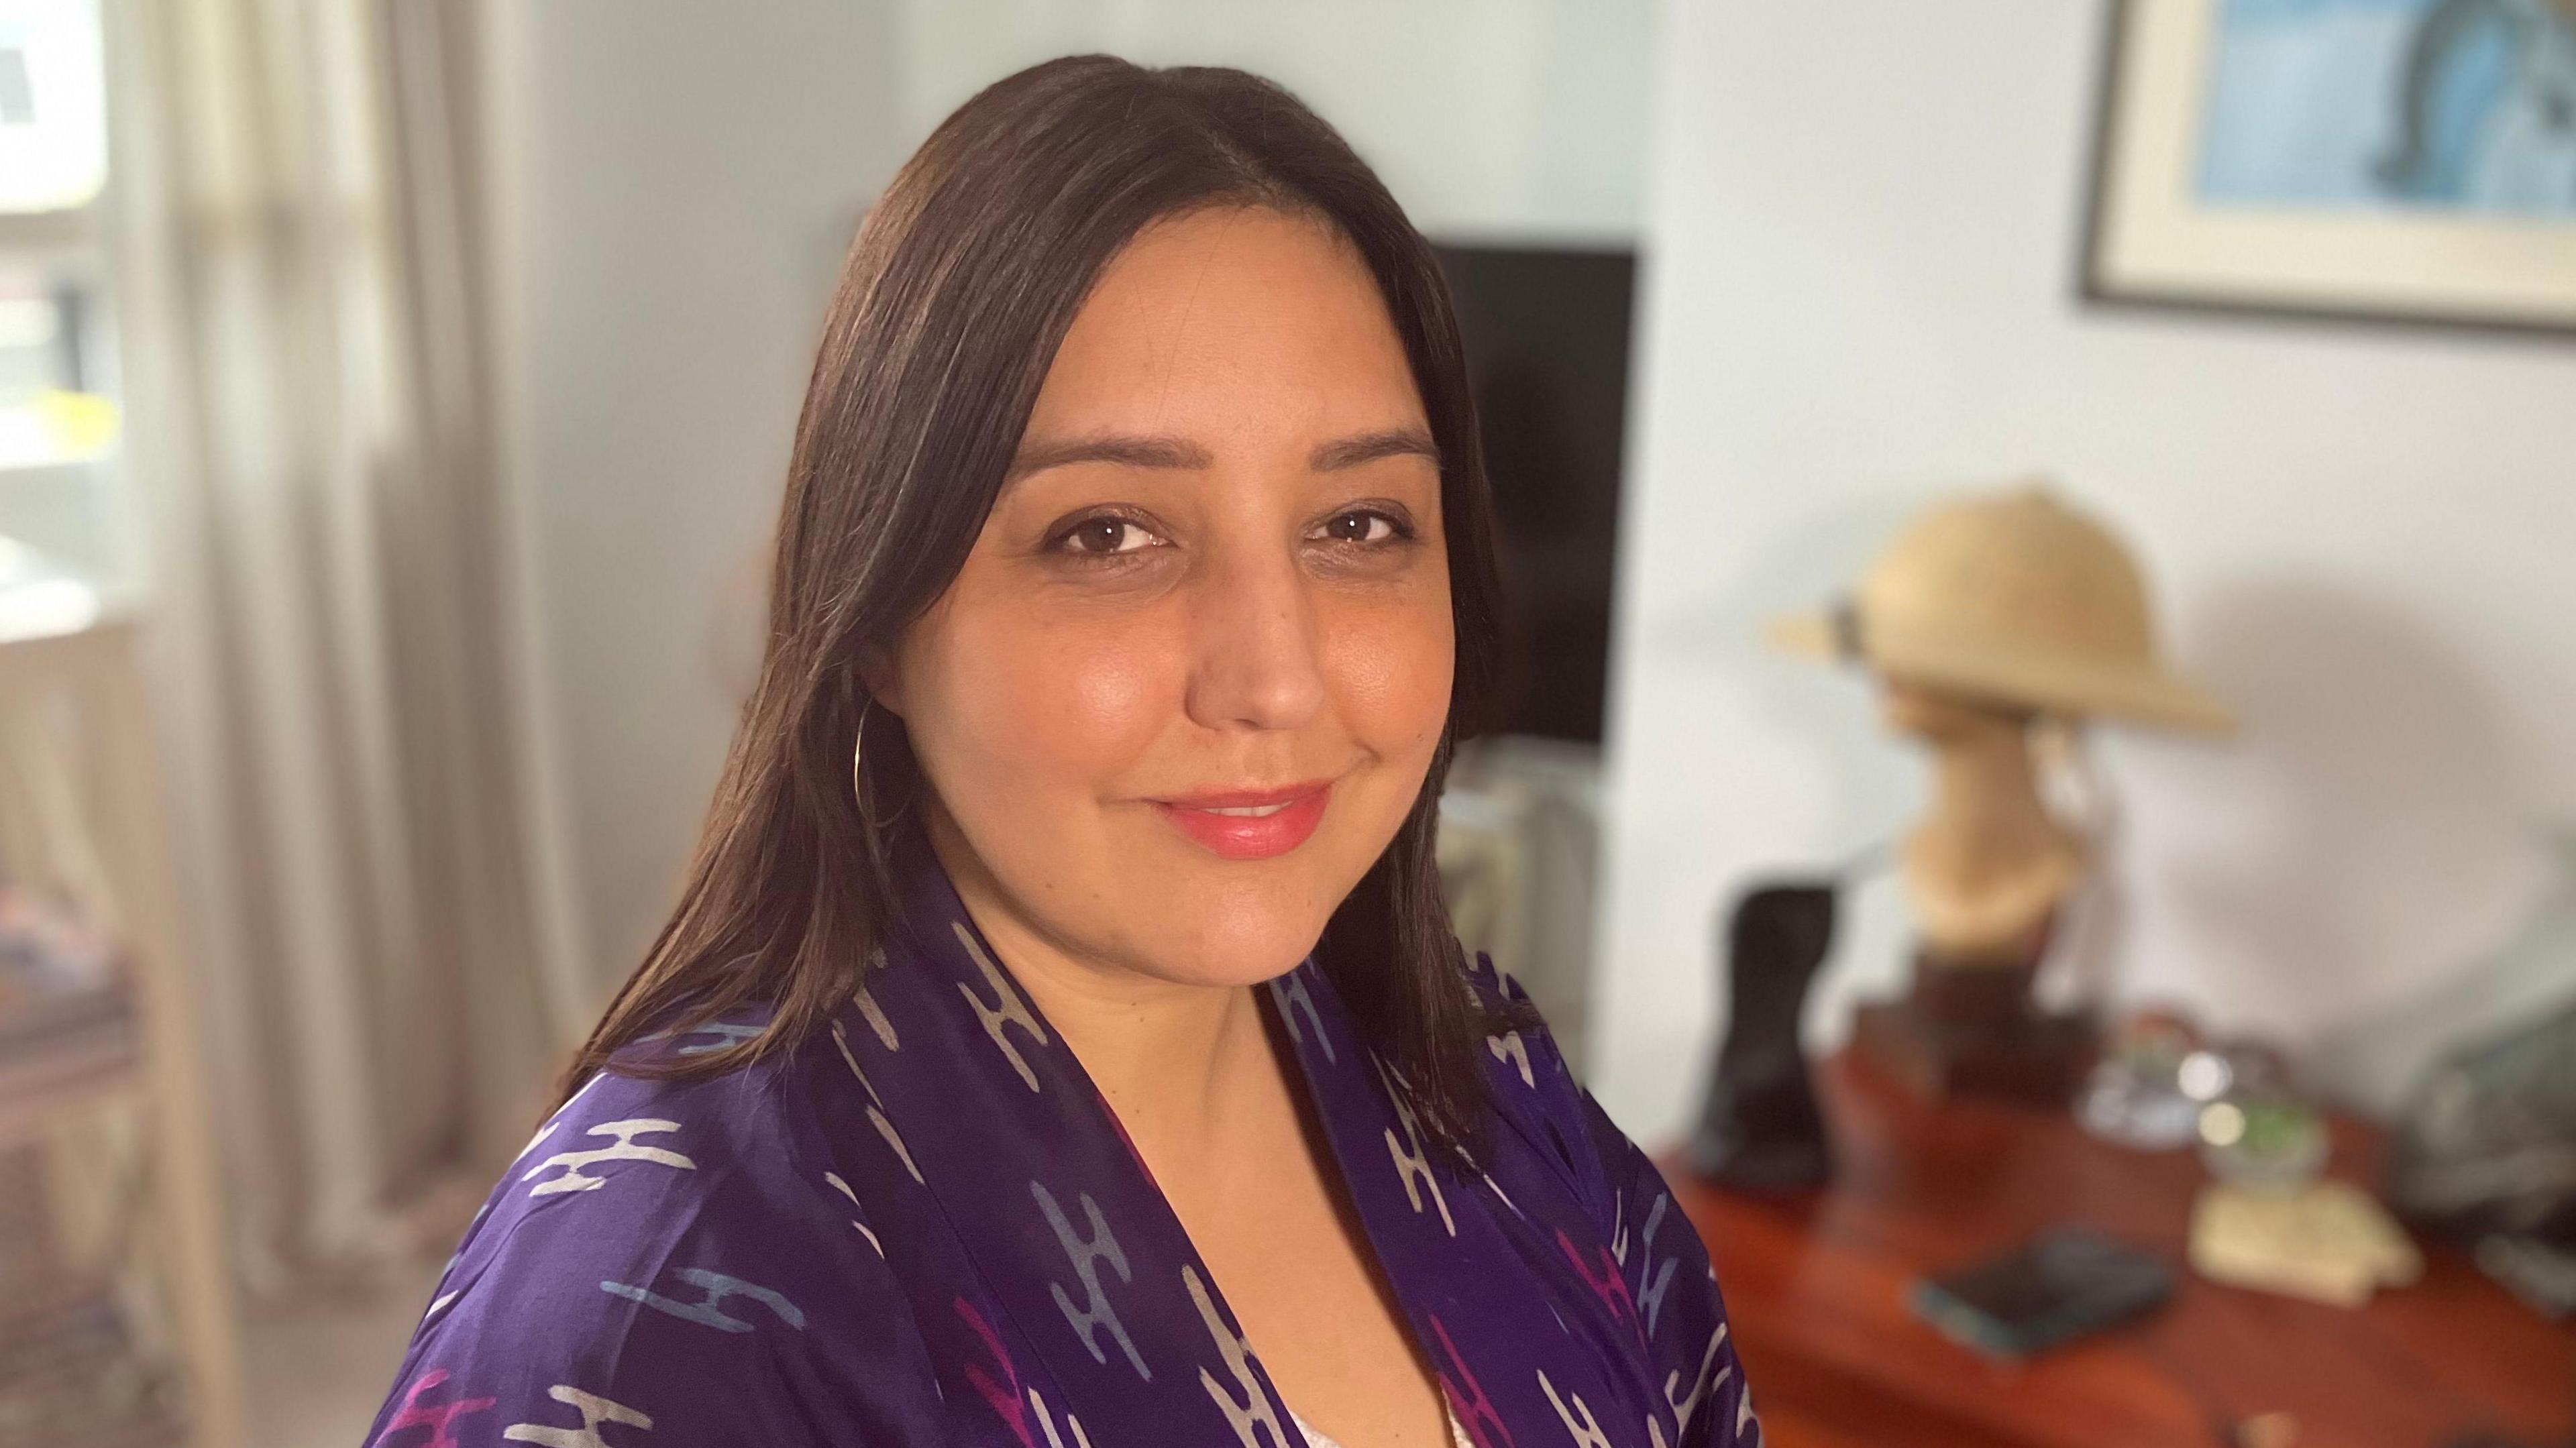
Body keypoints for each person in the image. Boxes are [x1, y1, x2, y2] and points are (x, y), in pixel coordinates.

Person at [364, 55, 1754, 1448]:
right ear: (878, 620)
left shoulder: (1477, 1087)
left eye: (1358, 526)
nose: (1276, 682)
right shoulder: (651, 1321)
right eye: (1108, 535)